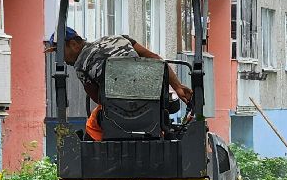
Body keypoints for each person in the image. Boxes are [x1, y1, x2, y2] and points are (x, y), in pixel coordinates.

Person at [46, 27, 194, 140]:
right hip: (152, 107)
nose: (61, 59)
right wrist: (178, 87)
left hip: (119, 116)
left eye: (60, 52)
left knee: (92, 123)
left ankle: (96, 161)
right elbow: (156, 60)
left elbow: (99, 99)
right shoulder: (119, 39)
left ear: (73, 44)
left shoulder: (81, 66)